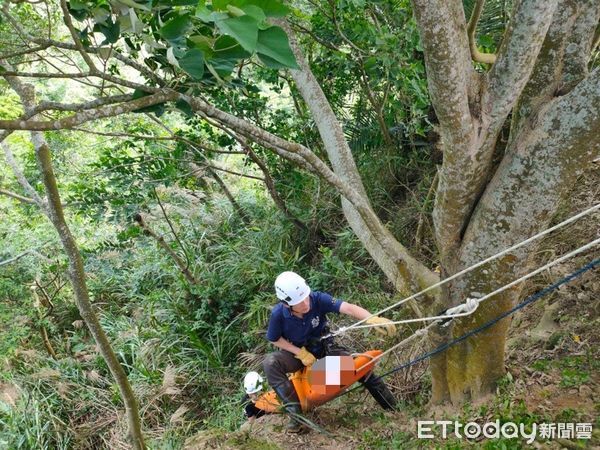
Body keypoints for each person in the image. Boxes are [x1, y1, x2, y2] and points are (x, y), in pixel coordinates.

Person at [263, 271, 398, 433]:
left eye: (306, 297)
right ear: (286, 304)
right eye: (300, 302)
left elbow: (348, 308)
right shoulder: (278, 315)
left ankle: (393, 409)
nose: (306, 303)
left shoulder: (318, 299)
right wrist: (300, 353)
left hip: (324, 349)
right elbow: (274, 338)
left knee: (357, 368)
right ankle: (296, 415)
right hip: (297, 355)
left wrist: (371, 318)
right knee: (270, 363)